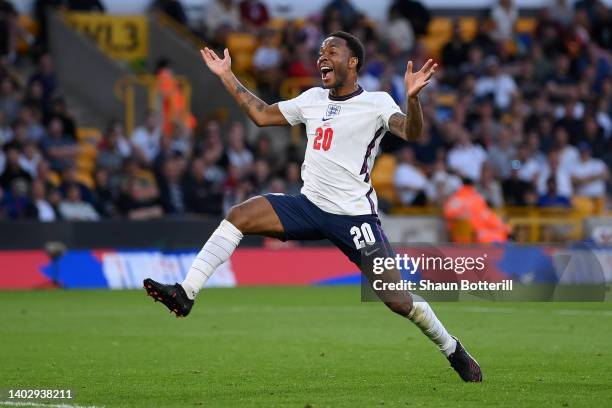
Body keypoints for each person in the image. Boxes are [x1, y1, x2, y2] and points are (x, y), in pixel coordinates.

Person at [144, 31, 482, 382]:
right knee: (239, 215)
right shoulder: (312, 99)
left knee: (398, 301)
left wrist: (412, 100)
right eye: (320, 51)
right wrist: (227, 75)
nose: (322, 56)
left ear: (352, 62)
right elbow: (261, 114)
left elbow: (411, 132)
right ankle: (186, 293)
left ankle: (452, 348)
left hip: (355, 219)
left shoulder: (378, 102)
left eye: (331, 51)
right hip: (309, 207)